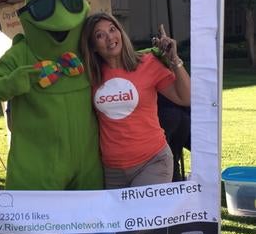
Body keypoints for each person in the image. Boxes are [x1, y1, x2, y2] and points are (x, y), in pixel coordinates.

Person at [80, 13, 190, 189]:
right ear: (92, 46)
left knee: (143, 215)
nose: (109, 37)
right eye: (100, 35)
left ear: (121, 32)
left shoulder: (147, 63)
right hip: (112, 169)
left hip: (153, 161)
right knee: (119, 217)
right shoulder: (91, 75)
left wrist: (174, 60)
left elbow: (186, 98)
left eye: (112, 29)